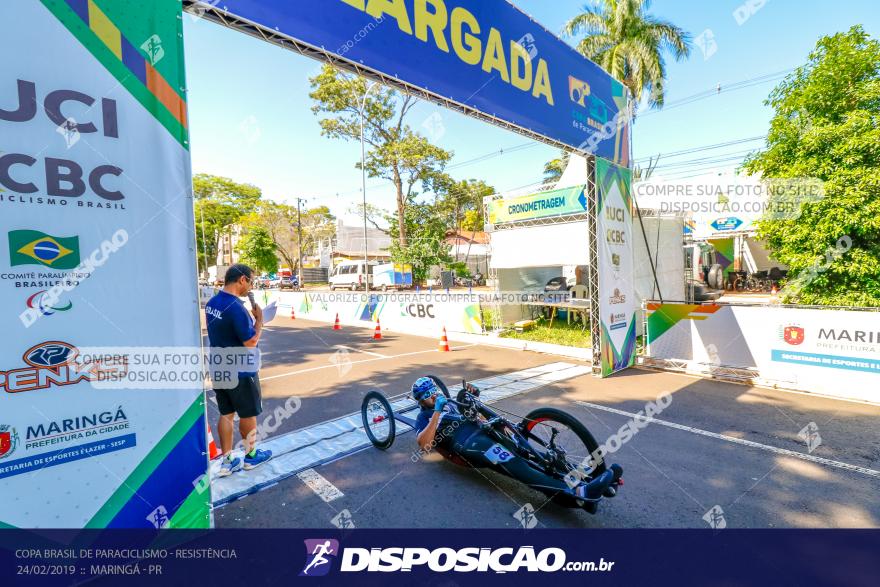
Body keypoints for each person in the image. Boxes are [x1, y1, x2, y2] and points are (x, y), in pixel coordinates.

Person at [411, 377, 618, 507]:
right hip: (469, 444)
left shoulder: (449, 403)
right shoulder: (424, 417)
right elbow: (423, 444)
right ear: (421, 400)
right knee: (515, 463)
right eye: (429, 395)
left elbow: (471, 412)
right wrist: (437, 411)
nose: (434, 395)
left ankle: (589, 478)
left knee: (529, 451)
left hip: (483, 431)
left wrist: (473, 397)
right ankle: (579, 492)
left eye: (435, 390)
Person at [205, 263, 273, 476]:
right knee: (248, 413)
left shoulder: (212, 303)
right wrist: (260, 320)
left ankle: (227, 461)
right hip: (241, 370)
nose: (251, 286)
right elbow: (251, 342)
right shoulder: (236, 307)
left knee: (226, 414)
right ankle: (251, 456)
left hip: (218, 366)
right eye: (251, 281)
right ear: (241, 280)